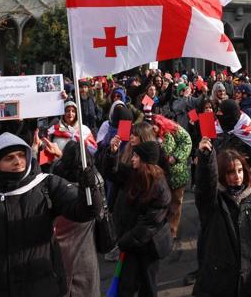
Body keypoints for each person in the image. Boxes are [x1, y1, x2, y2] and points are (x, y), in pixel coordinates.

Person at [0, 132, 101, 296]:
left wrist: (88, 188)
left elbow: (86, 211)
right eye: (9, 158)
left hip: (42, 285)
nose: (18, 162)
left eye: (22, 155)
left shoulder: (46, 184)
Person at [193, 137, 251, 296]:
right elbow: (205, 186)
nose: (237, 176)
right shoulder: (213, 202)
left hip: (249, 282)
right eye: (231, 172)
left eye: (240, 170)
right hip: (219, 282)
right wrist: (206, 158)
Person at [103, 138, 171, 296]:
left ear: (145, 161)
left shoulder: (160, 188)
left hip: (148, 247)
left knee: (147, 287)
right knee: (126, 285)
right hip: (132, 243)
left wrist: (123, 242)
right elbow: (112, 172)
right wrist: (112, 153)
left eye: (136, 156)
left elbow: (149, 225)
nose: (132, 158)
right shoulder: (132, 174)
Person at [51, 141, 102, 297]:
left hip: (61, 254)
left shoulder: (54, 184)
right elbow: (97, 211)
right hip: (85, 254)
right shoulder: (95, 181)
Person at [152, 115, 192, 240]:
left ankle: (172, 230)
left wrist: (176, 157)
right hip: (159, 175)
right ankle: (161, 228)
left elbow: (187, 141)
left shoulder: (174, 129)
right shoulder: (149, 134)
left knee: (175, 202)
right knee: (162, 202)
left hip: (176, 172)